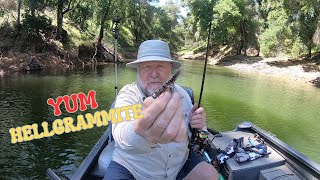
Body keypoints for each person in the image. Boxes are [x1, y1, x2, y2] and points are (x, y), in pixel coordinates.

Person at [104, 40, 218, 180]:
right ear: (138, 69)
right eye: (146, 67)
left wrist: (200, 125)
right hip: (134, 170)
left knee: (209, 174)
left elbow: (200, 136)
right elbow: (121, 136)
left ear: (170, 68)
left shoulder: (183, 95)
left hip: (179, 166)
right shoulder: (127, 96)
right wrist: (140, 132)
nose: (154, 74)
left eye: (160, 66)